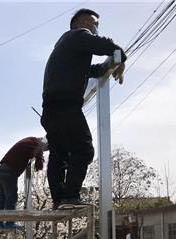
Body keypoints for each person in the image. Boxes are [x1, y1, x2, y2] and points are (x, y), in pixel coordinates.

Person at [41, 8, 127, 209]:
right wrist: (120, 55)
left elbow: (89, 71)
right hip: (65, 106)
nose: (94, 26)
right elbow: (103, 45)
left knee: (59, 153)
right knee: (83, 149)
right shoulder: (77, 35)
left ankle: (59, 200)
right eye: (92, 22)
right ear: (78, 22)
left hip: (51, 110)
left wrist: (107, 67)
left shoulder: (65, 50)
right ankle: (70, 197)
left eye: (97, 24)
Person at [0, 136, 47, 230]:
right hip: (9, 171)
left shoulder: (31, 140)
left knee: (2, 197)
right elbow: (39, 164)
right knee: (12, 196)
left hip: (2, 169)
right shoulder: (38, 144)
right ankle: (10, 222)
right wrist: (39, 160)